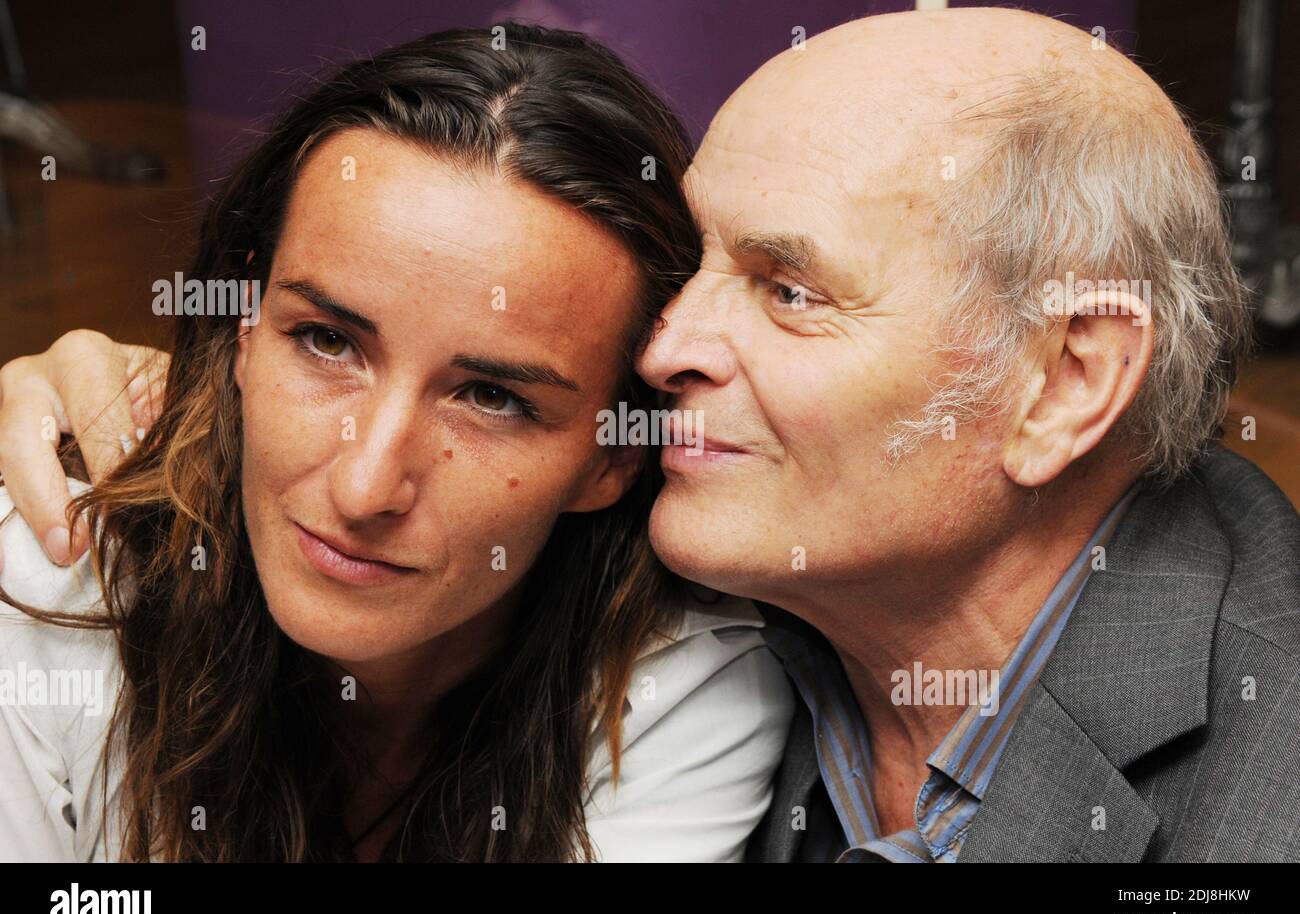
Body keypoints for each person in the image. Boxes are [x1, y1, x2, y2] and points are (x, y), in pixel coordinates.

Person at [0, 24, 793, 862]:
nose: (365, 484)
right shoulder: (55, 577)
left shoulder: (679, 687)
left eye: (492, 397)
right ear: (244, 324)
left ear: (613, 455)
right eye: (327, 341)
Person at [633, 8, 1300, 861]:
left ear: (1066, 384)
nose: (665, 348)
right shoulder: (671, 638)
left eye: (790, 291)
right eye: (693, 264)